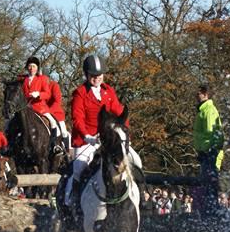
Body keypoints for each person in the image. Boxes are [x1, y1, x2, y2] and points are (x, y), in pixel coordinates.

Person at [63, 54, 142, 213]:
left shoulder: (108, 91)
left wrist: (126, 137)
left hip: (109, 139)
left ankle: (136, 196)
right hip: (87, 140)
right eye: (93, 76)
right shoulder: (80, 93)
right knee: (79, 168)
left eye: (99, 75)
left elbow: (120, 114)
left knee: (137, 161)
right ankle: (74, 197)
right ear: (87, 75)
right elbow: (77, 119)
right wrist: (87, 136)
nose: (97, 78)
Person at [22, 56, 64, 152]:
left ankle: (55, 145)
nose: (31, 68)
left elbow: (48, 94)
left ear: (37, 68)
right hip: (26, 108)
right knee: (10, 122)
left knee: (53, 123)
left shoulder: (42, 78)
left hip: (40, 108)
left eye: (33, 66)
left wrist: (39, 94)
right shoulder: (23, 80)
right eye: (29, 66)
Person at [193, 84, 223, 216]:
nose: (196, 96)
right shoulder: (203, 111)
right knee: (207, 185)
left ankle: (212, 215)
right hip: (206, 153)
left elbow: (211, 133)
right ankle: (209, 212)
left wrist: (207, 151)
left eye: (198, 94)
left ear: (205, 95)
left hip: (210, 153)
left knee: (210, 185)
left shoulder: (208, 110)